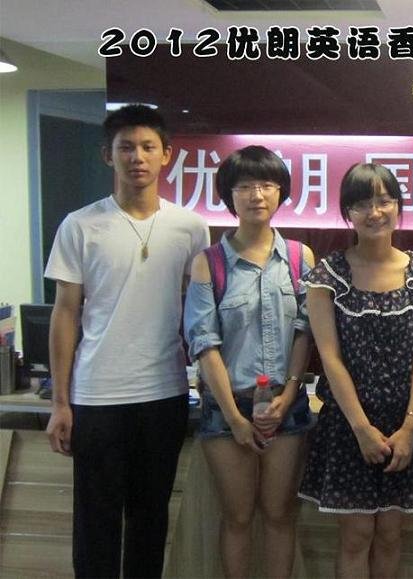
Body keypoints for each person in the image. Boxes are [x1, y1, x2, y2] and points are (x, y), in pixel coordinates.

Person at [44, 104, 209, 578]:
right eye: (126, 147)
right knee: (95, 521)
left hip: (164, 393)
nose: (137, 157)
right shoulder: (80, 225)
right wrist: (60, 402)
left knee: (150, 518)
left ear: (167, 155)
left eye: (148, 147)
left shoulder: (191, 227)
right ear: (108, 155)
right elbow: (65, 313)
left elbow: (198, 310)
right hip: (96, 395)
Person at [299, 163, 413, 578]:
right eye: (362, 204)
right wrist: (361, 429)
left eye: (384, 201)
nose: (375, 212)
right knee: (356, 535)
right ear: (347, 212)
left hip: (405, 423)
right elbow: (330, 358)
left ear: (398, 206)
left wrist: (411, 427)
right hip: (349, 425)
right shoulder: (328, 275)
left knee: (392, 535)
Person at [183, 145, 315, 578]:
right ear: (229, 195)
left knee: (279, 514)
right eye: (244, 187)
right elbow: (204, 344)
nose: (257, 195)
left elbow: (305, 331)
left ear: (281, 193)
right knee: (238, 517)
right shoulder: (209, 264)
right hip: (227, 409)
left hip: (285, 405)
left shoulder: (299, 258)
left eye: (267, 185)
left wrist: (289, 395)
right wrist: (235, 418)